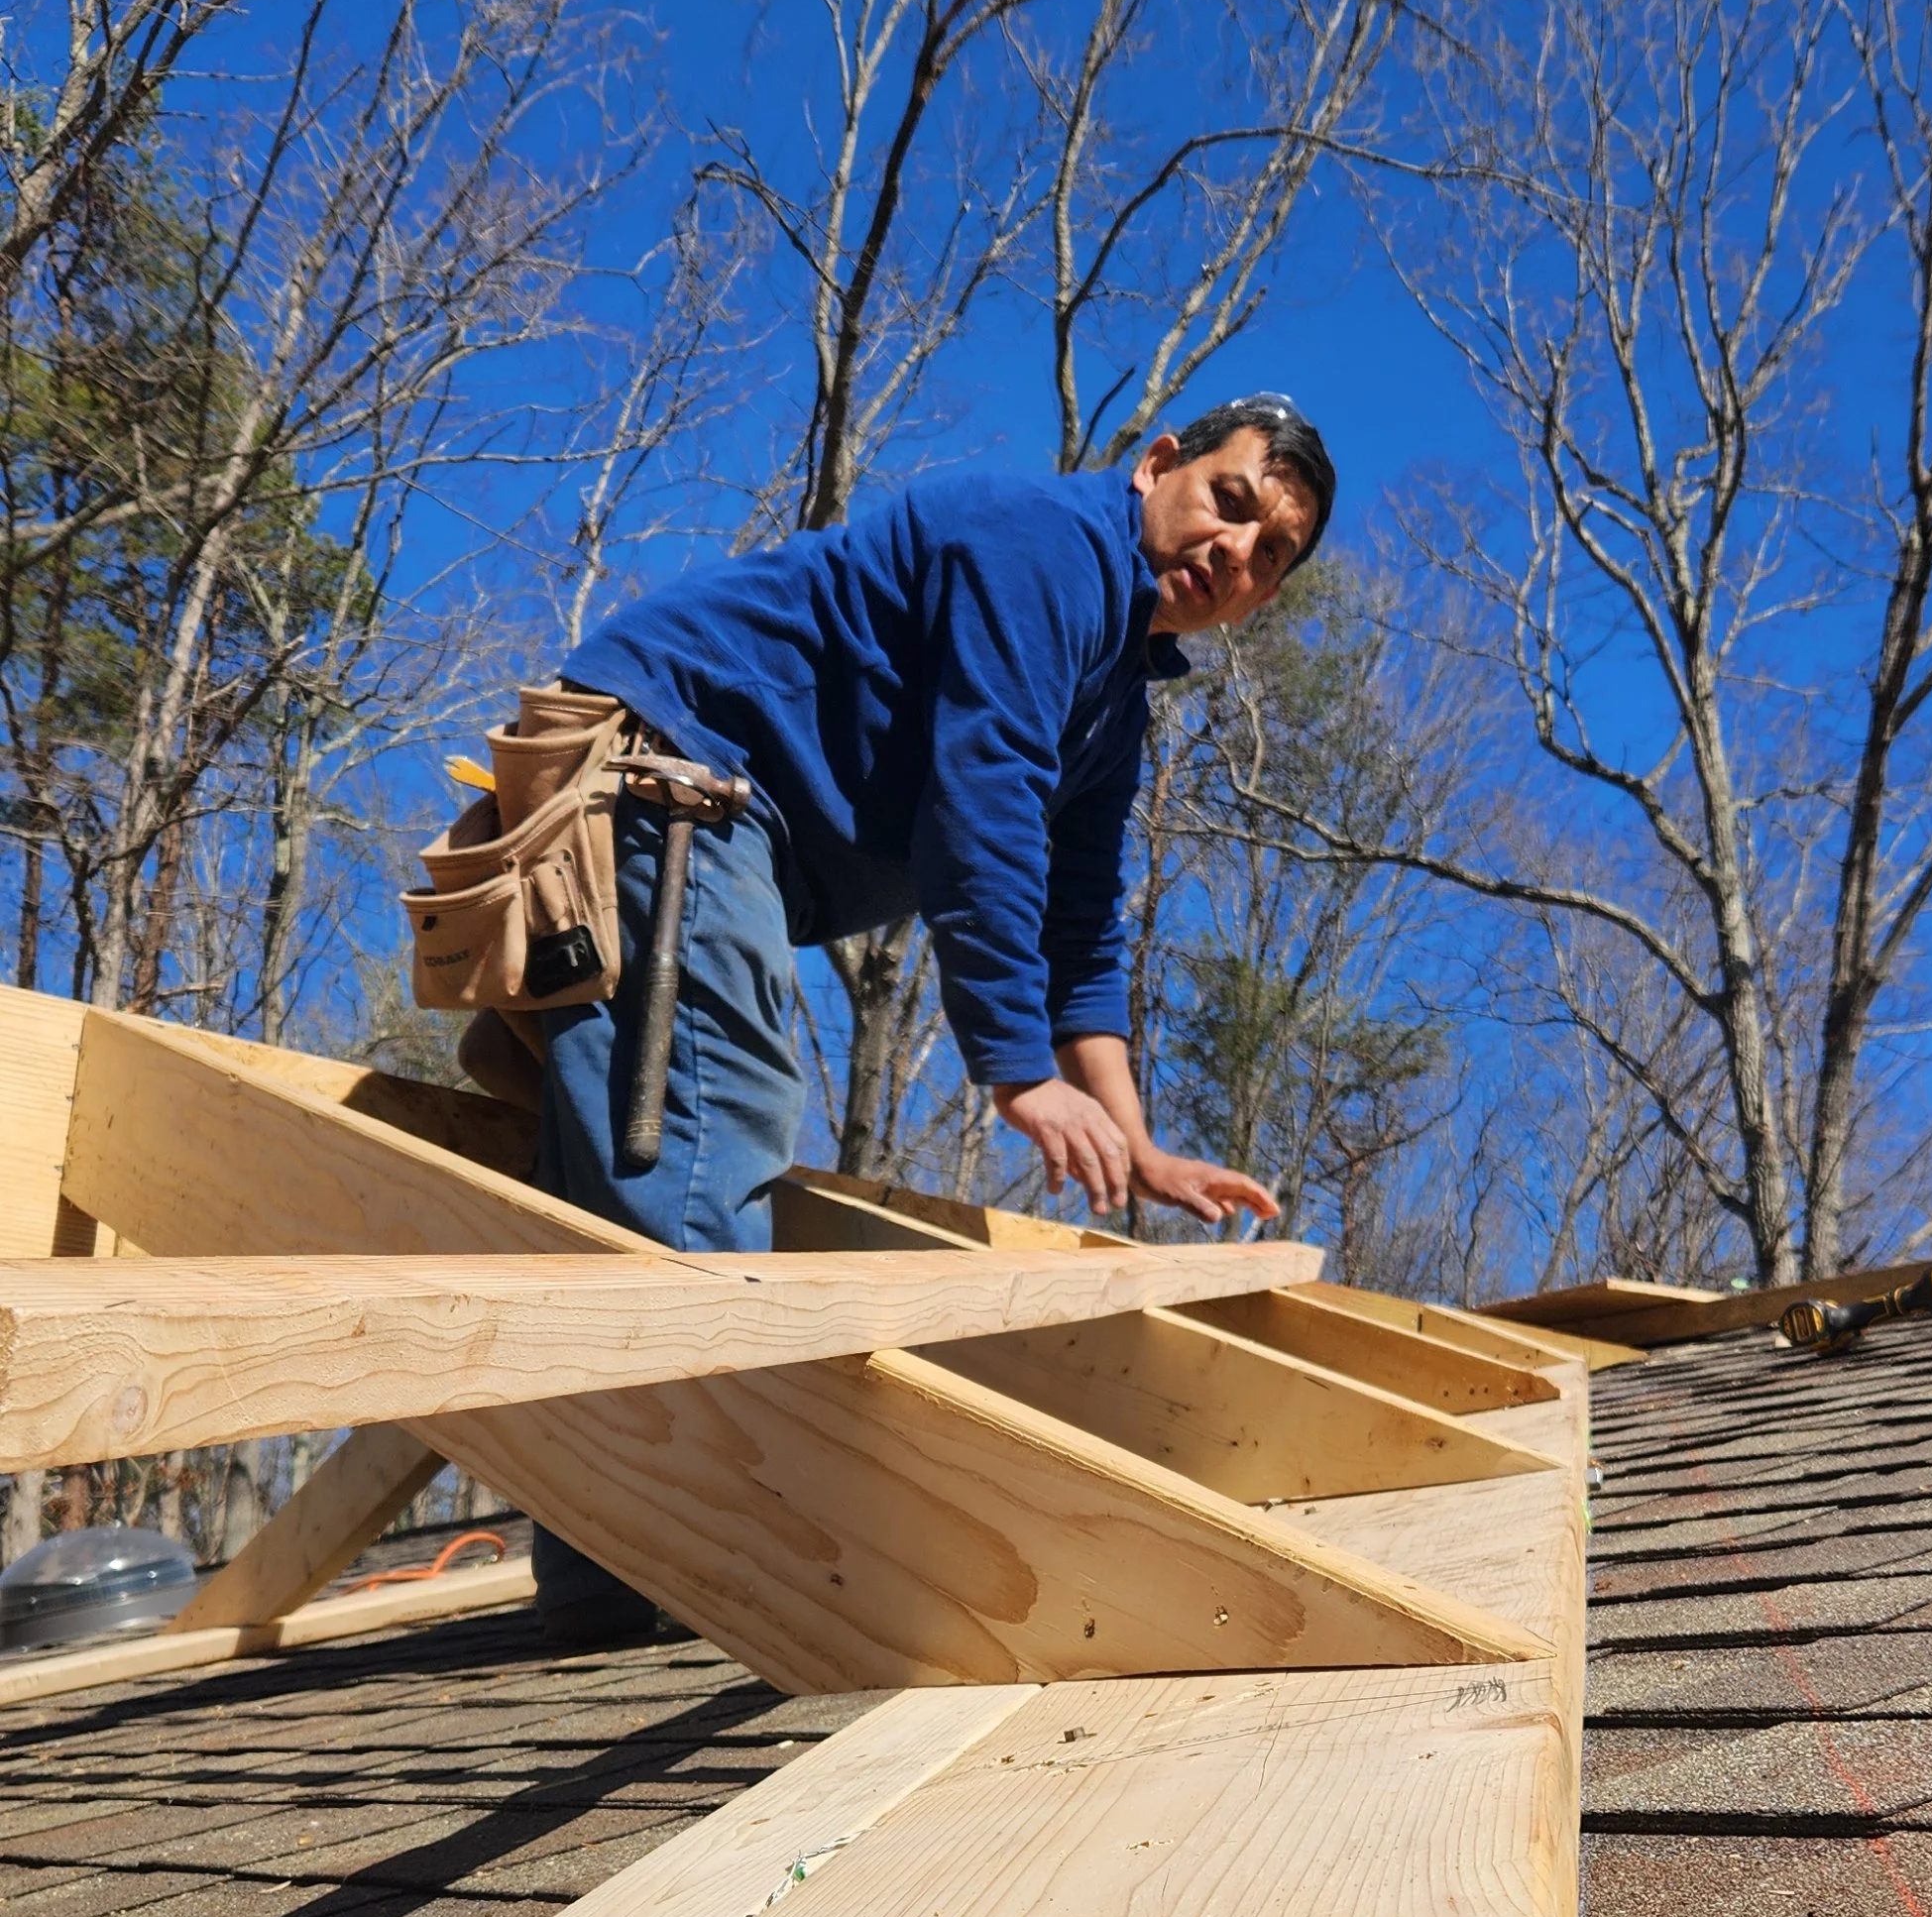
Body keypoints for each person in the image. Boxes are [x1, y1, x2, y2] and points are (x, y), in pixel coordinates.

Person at [528, 392, 1335, 1641]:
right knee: (711, 1117)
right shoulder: (1046, 545)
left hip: (723, 817)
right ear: (1157, 464)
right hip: (674, 773)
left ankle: (603, 1559)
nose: (1234, 554)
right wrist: (1017, 1071)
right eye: (1229, 505)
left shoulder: (1112, 696)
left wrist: (1137, 1139)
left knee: (622, 1162)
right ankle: (685, 1539)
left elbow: (1080, 921)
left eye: (1269, 555)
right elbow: (984, 797)